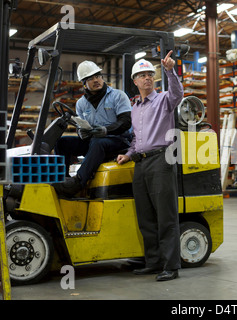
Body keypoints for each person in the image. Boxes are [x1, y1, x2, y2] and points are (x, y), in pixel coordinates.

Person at [117, 51, 183, 281]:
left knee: (166, 215)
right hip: (141, 163)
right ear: (135, 81)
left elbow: (178, 93)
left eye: (149, 75)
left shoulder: (165, 99)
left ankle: (171, 266)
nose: (147, 78)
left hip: (162, 160)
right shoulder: (136, 108)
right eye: (142, 75)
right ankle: (153, 262)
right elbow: (137, 139)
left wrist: (169, 70)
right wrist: (128, 154)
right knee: (146, 217)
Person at [54, 60, 132, 197]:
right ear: (84, 83)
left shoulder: (118, 96)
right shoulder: (81, 104)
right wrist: (81, 132)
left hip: (118, 142)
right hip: (94, 143)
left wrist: (106, 130)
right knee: (62, 142)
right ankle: (62, 179)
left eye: (98, 76)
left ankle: (78, 183)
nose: (96, 80)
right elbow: (81, 126)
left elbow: (126, 122)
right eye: (90, 78)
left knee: (98, 142)